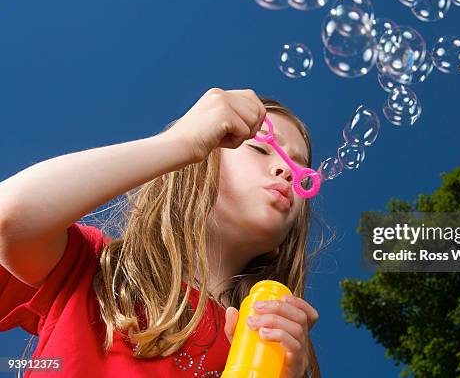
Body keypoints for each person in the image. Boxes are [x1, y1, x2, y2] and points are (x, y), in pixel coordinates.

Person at [0, 88, 322, 377]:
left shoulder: (260, 345)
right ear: (196, 167)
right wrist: (179, 143)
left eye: (302, 175)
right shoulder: (98, 270)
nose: (285, 171)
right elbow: (8, 217)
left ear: (281, 243)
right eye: (262, 150)